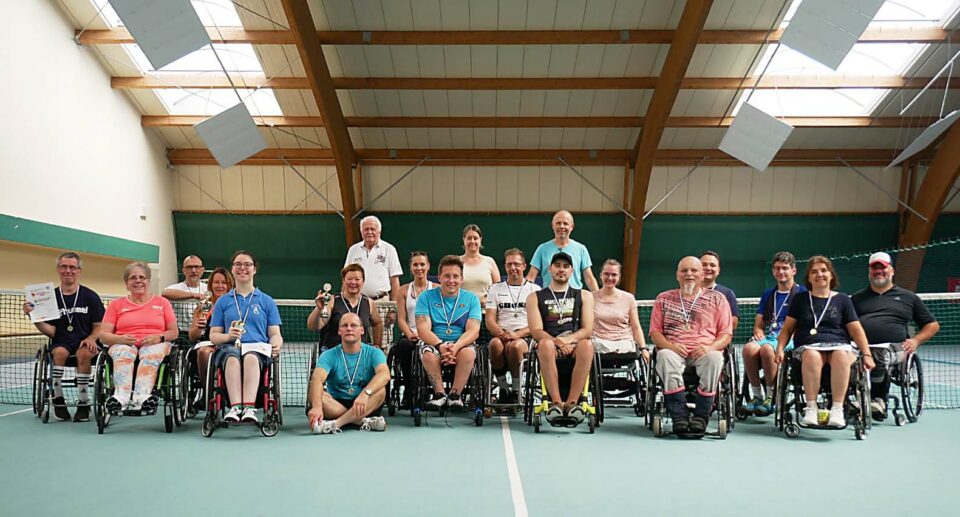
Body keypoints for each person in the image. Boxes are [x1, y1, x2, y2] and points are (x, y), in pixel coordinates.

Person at [775, 256, 874, 428]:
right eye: (814, 272)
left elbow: (856, 330)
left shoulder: (843, 299)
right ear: (808, 277)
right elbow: (787, 329)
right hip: (809, 346)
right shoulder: (800, 299)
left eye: (823, 270)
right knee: (811, 355)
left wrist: (867, 354)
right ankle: (811, 408)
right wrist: (779, 349)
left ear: (831, 275)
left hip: (839, 345)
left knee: (841, 355)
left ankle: (837, 409)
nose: (819, 275)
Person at [649, 256, 732, 435]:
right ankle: (679, 416)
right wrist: (671, 346)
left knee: (715, 358)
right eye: (684, 270)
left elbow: (726, 334)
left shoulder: (718, 298)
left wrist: (710, 348)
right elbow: (655, 333)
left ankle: (701, 417)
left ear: (702, 275)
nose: (689, 274)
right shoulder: (663, 299)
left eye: (694, 270)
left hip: (705, 350)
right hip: (674, 350)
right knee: (664, 356)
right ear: (677, 275)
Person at [851, 252, 939, 421]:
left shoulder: (909, 298)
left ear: (892, 271)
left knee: (878, 354)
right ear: (869, 272)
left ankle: (877, 400)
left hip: (896, 348)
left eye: (883, 268)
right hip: (860, 347)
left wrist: (916, 340)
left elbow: (932, 325)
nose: (879, 271)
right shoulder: (856, 299)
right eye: (874, 268)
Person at [22, 252, 104, 422]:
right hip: (61, 342)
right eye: (64, 266)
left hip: (86, 342)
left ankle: (83, 403)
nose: (68, 270)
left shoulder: (90, 296)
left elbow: (99, 325)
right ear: (58, 269)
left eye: (72, 267)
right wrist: (34, 317)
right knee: (59, 353)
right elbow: (51, 332)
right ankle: (58, 399)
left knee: (84, 353)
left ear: (79, 270)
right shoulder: (49, 297)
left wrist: (91, 338)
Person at [209, 251, 283, 424]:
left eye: (247, 265)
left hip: (257, 349)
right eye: (238, 264)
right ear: (232, 269)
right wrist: (228, 336)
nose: (242, 268)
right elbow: (213, 336)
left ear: (254, 269)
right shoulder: (222, 301)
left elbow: (275, 334)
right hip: (230, 348)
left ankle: (249, 408)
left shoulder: (267, 301)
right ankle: (235, 408)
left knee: (250, 357)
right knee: (232, 357)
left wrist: (276, 344)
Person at [100, 262, 179, 413]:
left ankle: (142, 396)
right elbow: (104, 335)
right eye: (133, 278)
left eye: (142, 277)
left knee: (151, 353)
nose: (138, 281)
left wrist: (159, 337)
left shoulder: (162, 303)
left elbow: (174, 332)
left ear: (148, 281)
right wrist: (120, 339)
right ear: (126, 283)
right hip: (124, 343)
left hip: (154, 343)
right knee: (123, 352)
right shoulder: (116, 305)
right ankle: (121, 397)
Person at [527, 252, 595, 423]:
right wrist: (558, 342)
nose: (561, 269)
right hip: (549, 344)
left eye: (565, 266)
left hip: (575, 345)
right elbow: (536, 331)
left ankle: (572, 403)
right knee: (544, 344)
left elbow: (587, 330)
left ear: (572, 271)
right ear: (550, 269)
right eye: (557, 266)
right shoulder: (535, 297)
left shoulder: (584, 295)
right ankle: (556, 403)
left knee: (587, 345)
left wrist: (568, 340)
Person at [742, 251, 806, 416]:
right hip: (770, 337)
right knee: (748, 348)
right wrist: (758, 332)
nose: (781, 272)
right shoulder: (768, 294)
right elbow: (759, 323)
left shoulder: (803, 293)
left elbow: (805, 322)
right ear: (773, 271)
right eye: (777, 268)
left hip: (791, 338)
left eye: (785, 268)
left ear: (793, 270)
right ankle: (757, 396)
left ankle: (771, 397)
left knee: (767, 350)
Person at [415, 255, 483, 410]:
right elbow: (423, 329)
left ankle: (455, 395)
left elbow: (473, 330)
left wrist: (455, 347)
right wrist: (440, 346)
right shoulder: (425, 297)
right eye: (447, 276)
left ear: (461, 279)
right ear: (439, 277)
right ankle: (439, 394)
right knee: (427, 354)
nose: (451, 280)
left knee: (469, 353)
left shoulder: (472, 299)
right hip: (435, 343)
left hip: (461, 344)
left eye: (455, 276)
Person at [307, 313, 390, 434]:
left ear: (362, 330)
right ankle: (362, 421)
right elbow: (317, 379)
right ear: (339, 331)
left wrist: (365, 393)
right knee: (317, 396)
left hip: (365, 402)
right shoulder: (328, 355)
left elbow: (384, 374)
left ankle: (336, 423)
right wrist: (317, 407)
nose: (349, 329)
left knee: (381, 391)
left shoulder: (374, 353)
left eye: (354, 325)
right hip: (337, 402)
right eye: (345, 325)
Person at [485, 248, 540, 404]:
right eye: (509, 264)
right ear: (505, 266)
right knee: (494, 344)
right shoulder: (495, 289)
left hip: (525, 337)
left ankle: (516, 390)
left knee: (515, 346)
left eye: (516, 264)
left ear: (524, 266)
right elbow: (489, 320)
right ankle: (504, 390)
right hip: (501, 335)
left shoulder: (534, 290)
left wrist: (517, 335)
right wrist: (502, 334)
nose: (513, 268)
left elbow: (537, 323)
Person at [307, 264, 384, 351]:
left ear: (363, 281)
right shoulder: (331, 301)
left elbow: (377, 323)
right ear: (343, 281)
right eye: (349, 279)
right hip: (334, 352)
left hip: (361, 354)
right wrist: (319, 309)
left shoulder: (369, 303)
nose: (353, 282)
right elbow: (313, 326)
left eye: (357, 279)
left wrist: (377, 345)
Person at [187, 267, 234, 407]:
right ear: (210, 285)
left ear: (230, 285)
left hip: (229, 344)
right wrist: (198, 328)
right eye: (216, 282)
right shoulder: (204, 306)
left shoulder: (236, 305)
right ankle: (208, 393)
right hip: (207, 343)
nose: (220, 286)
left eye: (224, 283)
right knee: (203, 352)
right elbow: (192, 337)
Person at [395, 251, 434, 406]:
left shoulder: (437, 289)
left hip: (431, 334)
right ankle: (409, 391)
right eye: (415, 265)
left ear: (428, 266)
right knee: (403, 346)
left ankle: (429, 390)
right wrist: (409, 334)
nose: (419, 268)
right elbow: (401, 319)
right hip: (410, 334)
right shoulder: (403, 290)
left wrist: (427, 335)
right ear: (410, 268)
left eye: (422, 264)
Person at [592, 259, 649, 363]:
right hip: (598, 342)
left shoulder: (629, 298)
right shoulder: (590, 297)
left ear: (619, 277)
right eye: (606, 274)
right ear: (600, 275)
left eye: (614, 275)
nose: (610, 278)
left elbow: (636, 326)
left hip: (624, 343)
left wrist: (643, 348)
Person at [527, 210, 599, 291]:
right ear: (552, 226)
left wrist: (597, 295)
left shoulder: (581, 249)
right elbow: (531, 277)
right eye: (558, 223)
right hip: (548, 296)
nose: (562, 226)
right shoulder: (542, 249)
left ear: (571, 227)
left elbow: (589, 278)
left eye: (565, 223)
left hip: (575, 297)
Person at [343, 215, 402, 302]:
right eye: (366, 229)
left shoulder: (389, 249)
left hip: (381, 300)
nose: (369, 232)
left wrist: (394, 305)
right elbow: (345, 277)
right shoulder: (353, 250)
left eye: (372, 229)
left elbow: (394, 280)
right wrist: (344, 301)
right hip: (357, 301)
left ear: (379, 231)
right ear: (361, 231)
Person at [162, 255, 207, 330]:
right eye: (189, 267)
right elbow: (165, 293)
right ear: (183, 270)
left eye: (197, 267)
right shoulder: (176, 288)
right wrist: (193, 295)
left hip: (204, 332)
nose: (193, 270)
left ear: (202, 269)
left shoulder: (208, 288)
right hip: (182, 333)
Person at [460, 224, 501, 304]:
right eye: (469, 238)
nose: (472, 241)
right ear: (464, 240)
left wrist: (486, 300)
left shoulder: (490, 261)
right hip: (461, 308)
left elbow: (498, 289)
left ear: (480, 240)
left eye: (475, 238)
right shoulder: (456, 262)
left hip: (485, 309)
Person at [700, 251, 739, 331]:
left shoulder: (727, 294)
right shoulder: (687, 292)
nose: (708, 268)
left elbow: (733, 323)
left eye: (712, 265)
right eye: (704, 265)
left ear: (718, 270)